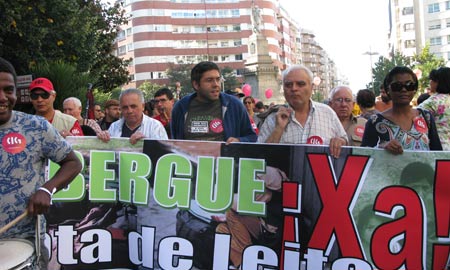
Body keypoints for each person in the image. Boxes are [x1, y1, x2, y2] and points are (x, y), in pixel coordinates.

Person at [0, 57, 82, 268]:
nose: (3, 97)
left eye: (9, 90)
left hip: (26, 244)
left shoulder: (35, 127)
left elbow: (73, 162)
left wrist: (47, 189)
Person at [257, 64, 348, 158]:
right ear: (283, 89)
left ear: (312, 87)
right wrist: (278, 129)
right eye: (288, 85)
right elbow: (260, 158)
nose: (294, 89)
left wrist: (340, 141)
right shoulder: (272, 119)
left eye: (300, 84)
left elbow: (344, 140)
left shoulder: (328, 113)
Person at [361, 66, 442, 154]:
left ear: (414, 89)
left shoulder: (426, 117)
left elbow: (438, 154)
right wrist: (381, 147)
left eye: (409, 85)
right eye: (397, 86)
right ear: (388, 90)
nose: (404, 90)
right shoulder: (375, 122)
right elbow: (364, 156)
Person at [171, 61, 257, 142]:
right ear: (196, 85)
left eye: (218, 79)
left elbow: (252, 137)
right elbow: (173, 142)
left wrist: (239, 141)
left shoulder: (234, 105)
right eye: (209, 80)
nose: (216, 84)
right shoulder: (181, 107)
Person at [96, 88, 168, 144]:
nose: (129, 111)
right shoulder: (114, 127)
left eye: (133, 106)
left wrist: (147, 143)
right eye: (125, 107)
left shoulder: (155, 126)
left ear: (143, 106)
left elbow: (163, 155)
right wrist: (101, 140)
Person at [418, 67, 450, 150]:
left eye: (432, 80)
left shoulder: (434, 101)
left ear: (439, 82)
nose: (430, 82)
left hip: (439, 149)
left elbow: (414, 116)